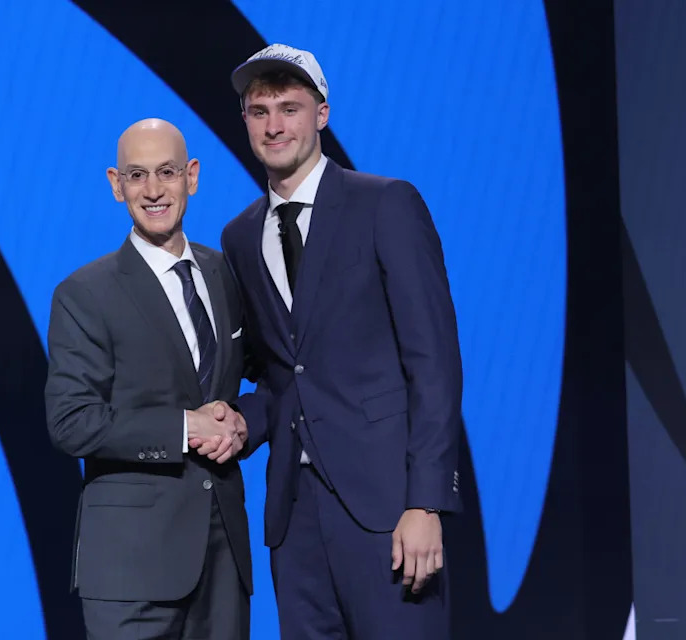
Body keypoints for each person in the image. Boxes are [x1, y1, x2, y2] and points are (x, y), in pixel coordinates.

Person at [222, 44, 464, 638]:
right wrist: (237, 423)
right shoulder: (240, 236)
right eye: (259, 111)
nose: (274, 125)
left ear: (322, 114)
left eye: (289, 107)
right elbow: (281, 375)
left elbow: (433, 362)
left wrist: (425, 503)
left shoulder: (385, 204)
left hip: (388, 507)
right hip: (295, 517)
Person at [44, 118, 253, 639]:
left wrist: (243, 423)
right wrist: (186, 429)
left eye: (167, 172)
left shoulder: (226, 274)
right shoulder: (85, 294)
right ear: (116, 184)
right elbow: (72, 422)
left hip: (222, 563)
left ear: (193, 176)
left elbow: (259, 378)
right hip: (130, 570)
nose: (154, 190)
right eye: (138, 175)